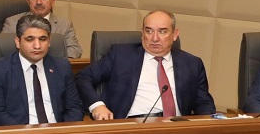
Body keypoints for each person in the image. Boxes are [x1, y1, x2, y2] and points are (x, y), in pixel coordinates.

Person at [77, 10, 215, 120]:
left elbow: (204, 104)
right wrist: (97, 106)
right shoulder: (120, 56)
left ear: (174, 34)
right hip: (133, 126)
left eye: (162, 31)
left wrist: (211, 124)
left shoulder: (192, 64)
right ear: (142, 33)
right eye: (149, 31)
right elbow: (83, 77)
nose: (154, 38)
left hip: (177, 128)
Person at [0, 15, 84, 126]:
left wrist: (63, 131)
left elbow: (75, 108)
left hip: (57, 131)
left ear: (49, 41)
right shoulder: (0, 69)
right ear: (18, 42)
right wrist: (24, 133)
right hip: (20, 132)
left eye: (43, 39)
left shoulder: (61, 67)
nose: (37, 46)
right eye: (30, 39)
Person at [0, 0, 82, 60]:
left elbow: (75, 51)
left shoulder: (64, 25)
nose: (39, 2)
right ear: (28, 1)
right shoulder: (12, 22)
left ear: (53, 1)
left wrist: (47, 64)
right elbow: (4, 51)